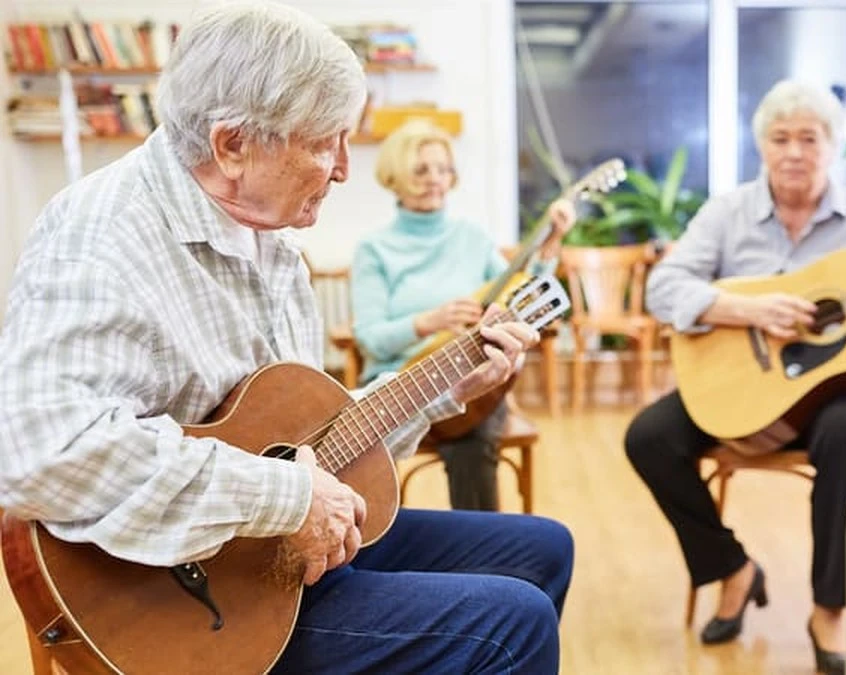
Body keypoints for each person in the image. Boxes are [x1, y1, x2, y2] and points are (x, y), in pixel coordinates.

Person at [0, 3, 572, 673]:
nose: (342, 169)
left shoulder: (268, 236)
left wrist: (448, 390)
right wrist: (286, 496)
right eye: (325, 141)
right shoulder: (103, 233)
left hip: (277, 557)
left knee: (543, 550)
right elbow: (39, 449)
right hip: (191, 600)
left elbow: (306, 437)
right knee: (513, 624)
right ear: (233, 145)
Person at [623, 79, 846, 672]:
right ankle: (732, 569)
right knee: (648, 437)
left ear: (832, 146)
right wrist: (746, 309)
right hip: (741, 391)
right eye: (780, 138)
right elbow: (663, 288)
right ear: (762, 146)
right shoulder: (728, 212)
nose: (794, 151)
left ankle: (829, 609)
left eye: (809, 138)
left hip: (834, 393)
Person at [351, 119, 576, 511]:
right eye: (421, 170)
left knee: (473, 434)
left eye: (443, 169)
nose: (434, 179)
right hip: (397, 387)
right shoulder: (375, 249)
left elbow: (522, 296)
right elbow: (370, 337)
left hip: (466, 382)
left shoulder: (472, 237)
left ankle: (483, 559)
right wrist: (428, 321)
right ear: (395, 176)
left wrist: (550, 242)